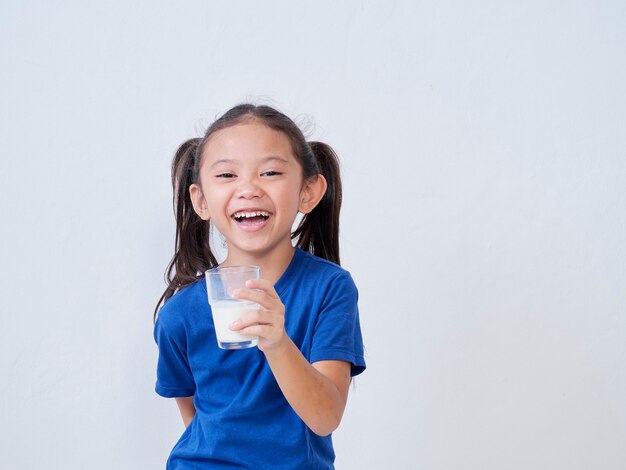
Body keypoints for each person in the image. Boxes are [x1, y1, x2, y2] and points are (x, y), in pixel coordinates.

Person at [153, 103, 366, 469]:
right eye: (226, 176)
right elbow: (196, 417)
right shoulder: (179, 315)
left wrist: (278, 344)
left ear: (308, 192)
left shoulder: (330, 289)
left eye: (269, 172)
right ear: (200, 200)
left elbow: (326, 417)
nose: (248, 189)